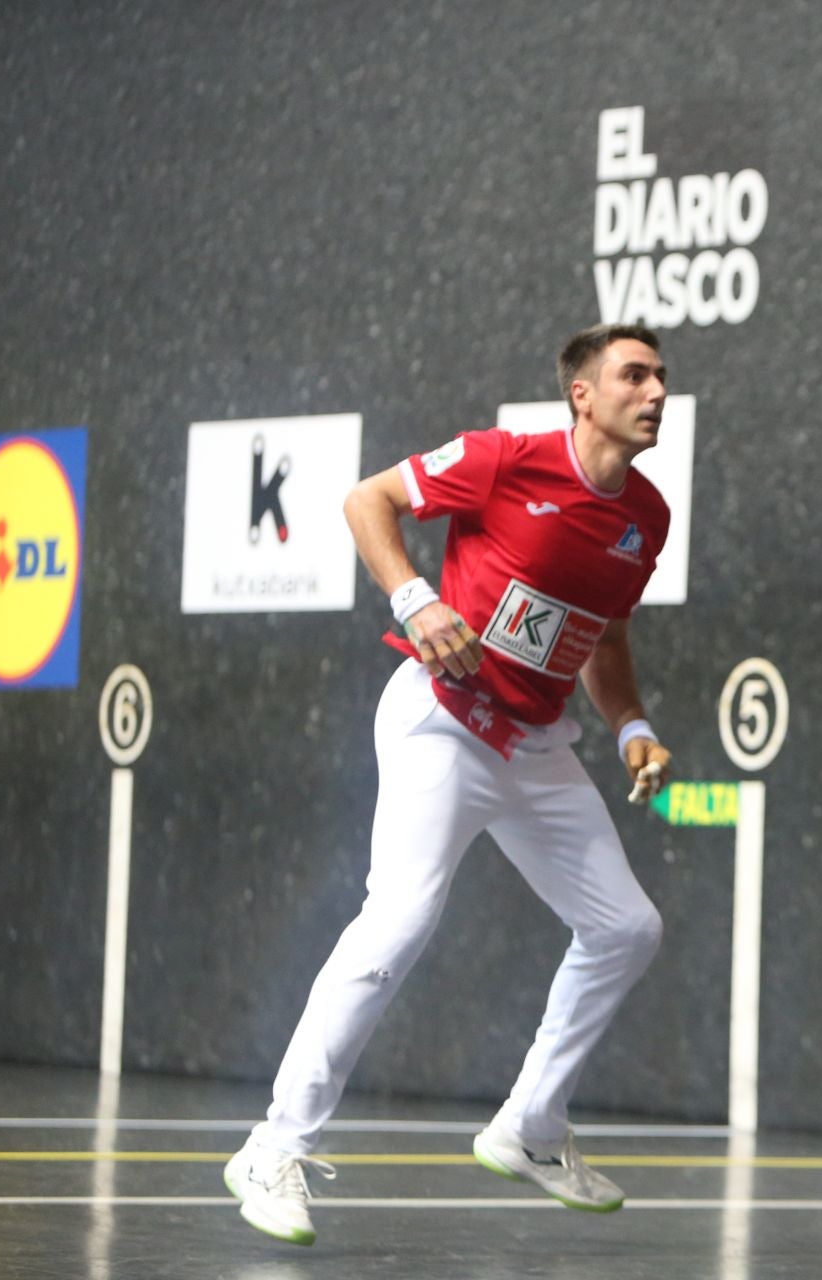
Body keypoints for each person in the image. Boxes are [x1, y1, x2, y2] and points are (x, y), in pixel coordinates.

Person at [224, 323, 679, 1246]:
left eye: (663, 376)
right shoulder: (501, 460)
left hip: (538, 746)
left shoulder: (649, 517)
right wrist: (414, 598)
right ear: (583, 395)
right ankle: (273, 1145)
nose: (657, 390)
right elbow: (366, 501)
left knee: (627, 928)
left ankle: (532, 1128)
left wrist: (630, 725)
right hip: (442, 719)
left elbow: (607, 634)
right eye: (635, 375)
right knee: (398, 918)